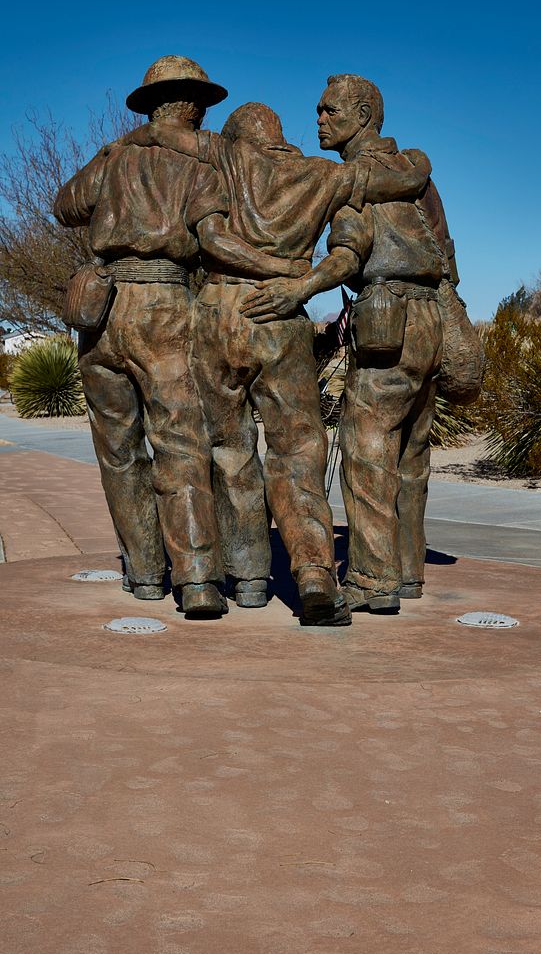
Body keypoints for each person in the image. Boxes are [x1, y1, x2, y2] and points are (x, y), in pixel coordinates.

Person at [120, 102, 431, 624]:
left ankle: (249, 580)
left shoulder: (222, 155)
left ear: (237, 134)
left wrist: (122, 145)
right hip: (284, 318)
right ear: (279, 135)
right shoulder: (324, 175)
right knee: (298, 451)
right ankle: (313, 573)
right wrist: (299, 284)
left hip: (220, 311)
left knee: (229, 447)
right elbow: (351, 250)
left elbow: (163, 134)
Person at [54, 58, 304, 617]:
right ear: (195, 105)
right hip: (164, 306)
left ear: (150, 105)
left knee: (118, 451)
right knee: (182, 443)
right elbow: (212, 238)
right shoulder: (204, 160)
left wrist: (113, 155)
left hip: (102, 313)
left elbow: (66, 204)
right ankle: (195, 578)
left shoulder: (117, 153)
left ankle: (144, 573)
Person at [313, 72, 461, 612]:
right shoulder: (416, 174)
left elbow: (346, 257)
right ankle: (407, 572)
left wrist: (300, 288)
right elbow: (446, 251)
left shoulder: (349, 180)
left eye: (331, 110)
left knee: (366, 442)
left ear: (363, 117)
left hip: (386, 320)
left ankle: (373, 579)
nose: (320, 119)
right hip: (430, 318)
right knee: (412, 450)